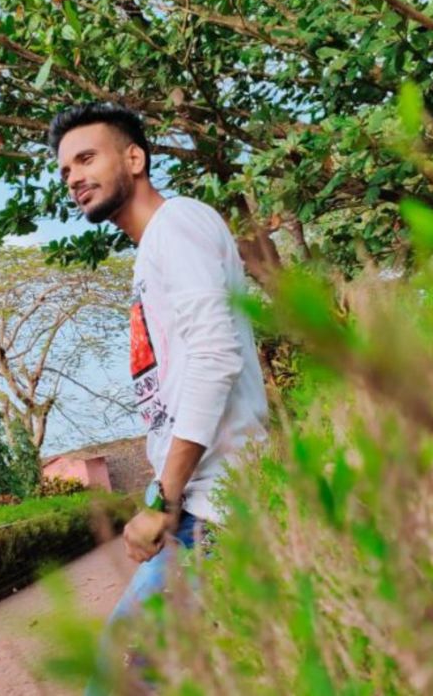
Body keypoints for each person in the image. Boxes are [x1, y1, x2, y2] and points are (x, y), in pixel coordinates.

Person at [48, 102, 268, 689]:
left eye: (86, 158)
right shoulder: (153, 251)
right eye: (66, 169)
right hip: (200, 502)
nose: (73, 177)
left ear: (134, 158)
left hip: (215, 504)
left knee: (116, 678)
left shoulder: (178, 224)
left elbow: (215, 356)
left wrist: (165, 498)